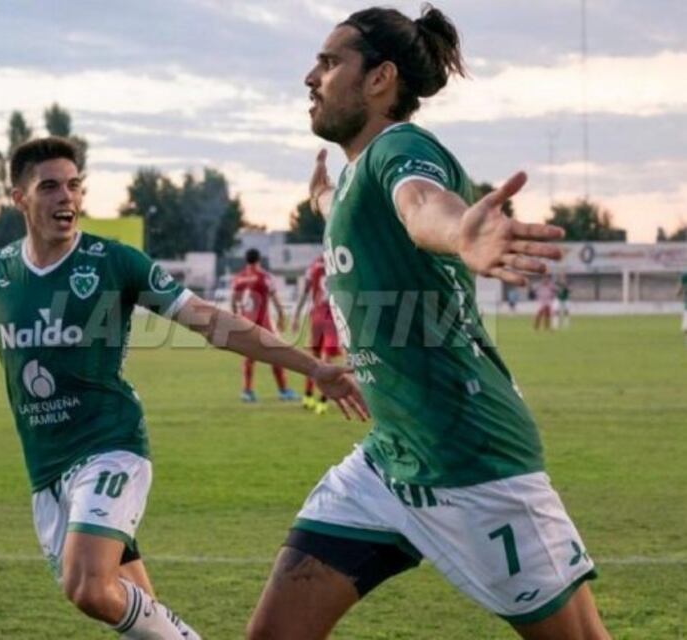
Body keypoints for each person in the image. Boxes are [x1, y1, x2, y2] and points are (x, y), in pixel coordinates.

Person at [0, 137, 368, 640]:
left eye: (75, 185)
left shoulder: (115, 263)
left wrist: (311, 366)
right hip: (46, 471)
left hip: (111, 447)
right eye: (51, 186)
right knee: (128, 608)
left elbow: (212, 320)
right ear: (19, 198)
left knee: (85, 586)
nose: (68, 197)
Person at [246, 6, 609, 640]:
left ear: (381, 78)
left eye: (330, 63)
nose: (311, 76)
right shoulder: (359, 173)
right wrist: (322, 199)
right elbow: (363, 206)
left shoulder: (401, 148)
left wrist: (460, 231)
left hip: (471, 460)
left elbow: (420, 206)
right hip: (387, 462)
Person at [231, 249, 298, 402]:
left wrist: (235, 318)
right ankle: (283, 391)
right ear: (259, 259)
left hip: (245, 323)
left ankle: (247, 392)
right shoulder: (264, 277)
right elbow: (275, 300)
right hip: (263, 324)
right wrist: (281, 317)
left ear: (246, 260)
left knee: (249, 358)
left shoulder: (238, 278)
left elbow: (233, 302)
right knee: (277, 356)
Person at [292, 254, 342, 415]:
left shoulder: (313, 266)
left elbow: (304, 293)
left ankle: (307, 396)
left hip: (316, 315)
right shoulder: (338, 263)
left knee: (313, 358)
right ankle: (322, 401)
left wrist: (295, 316)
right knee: (326, 359)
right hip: (332, 316)